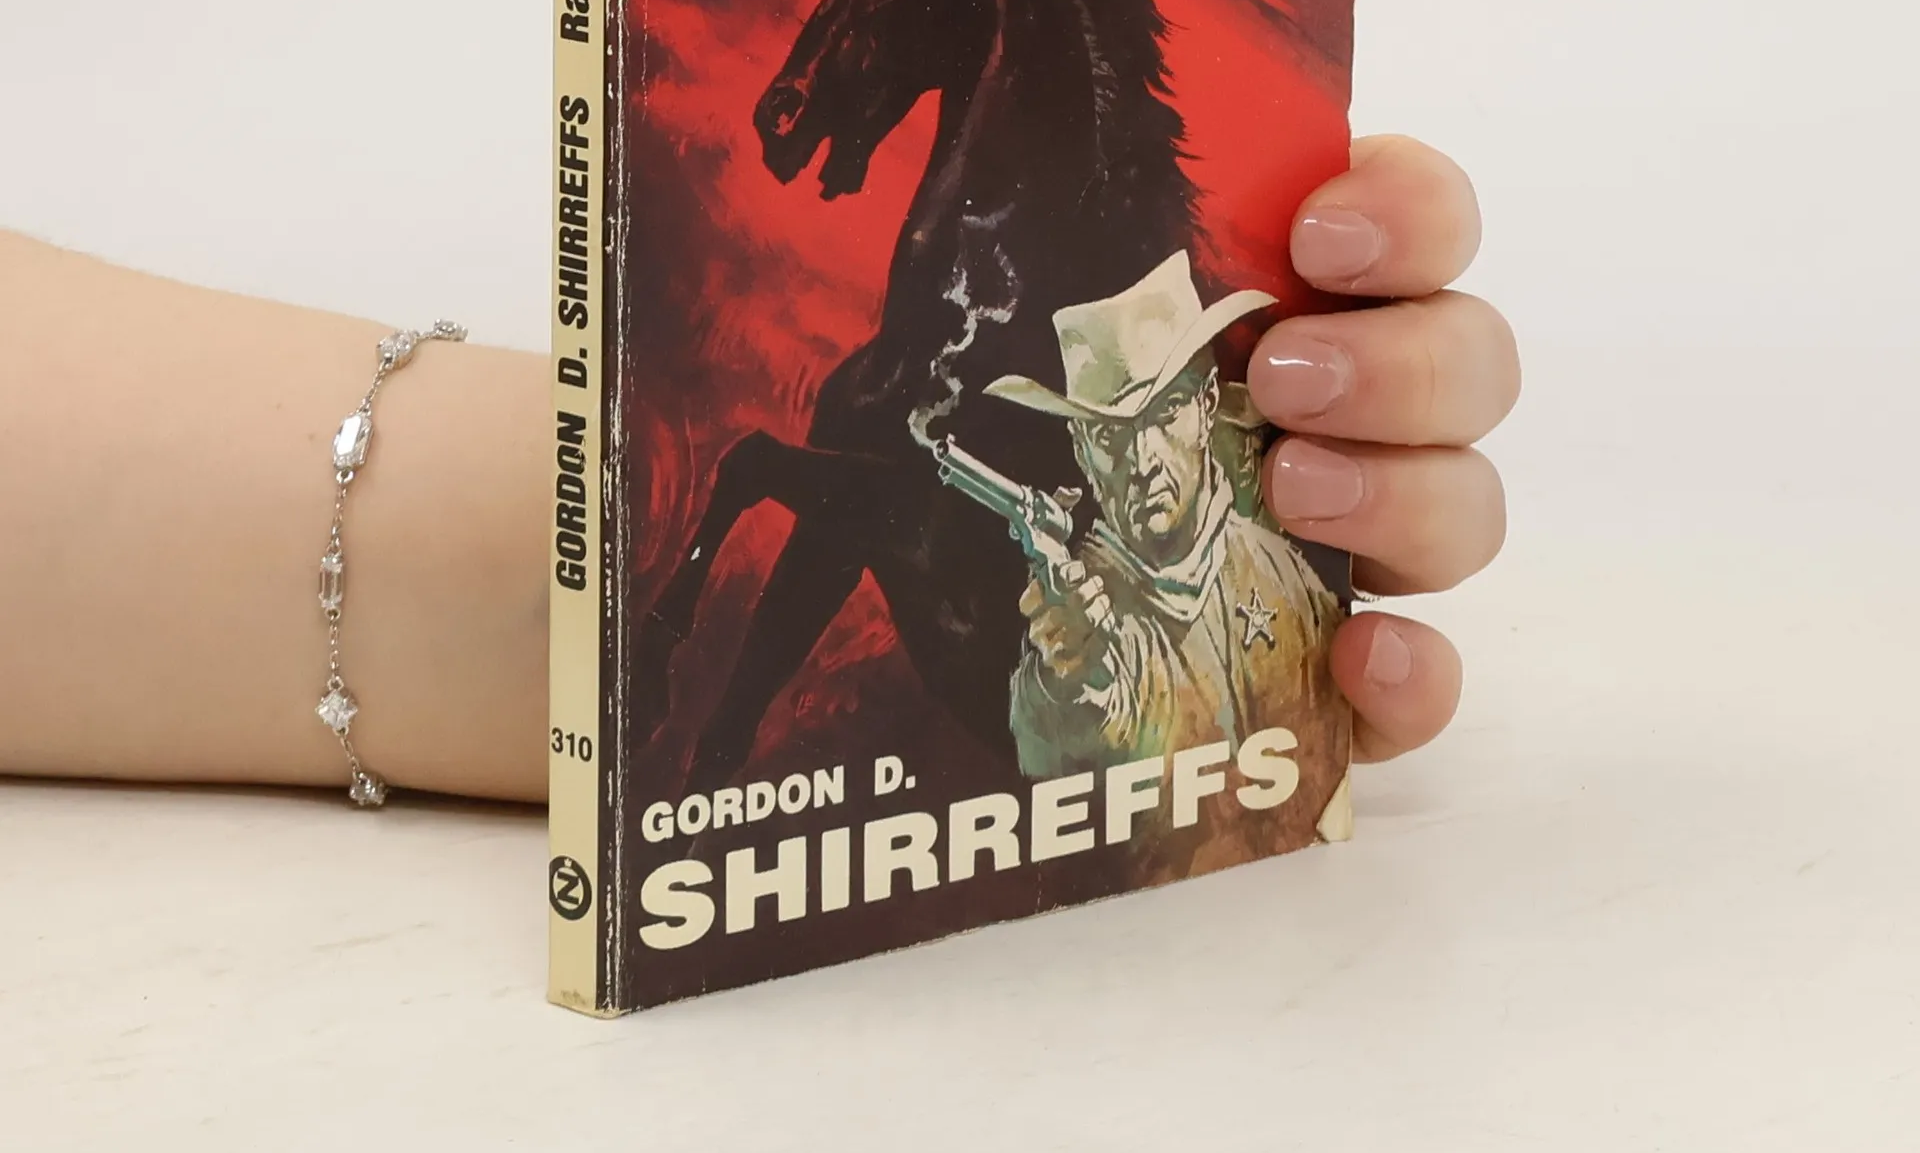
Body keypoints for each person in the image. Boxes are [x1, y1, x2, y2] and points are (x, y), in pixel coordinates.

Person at [0, 136, 1519, 803]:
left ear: (1212, 415)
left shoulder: (1257, 565)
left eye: (1155, 424)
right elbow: (1059, 745)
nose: (1134, 471)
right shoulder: (1077, 609)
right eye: (1100, 439)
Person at [989, 250, 1343, 775]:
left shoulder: (1286, 577)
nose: (1143, 459)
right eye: (1110, 435)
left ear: (1206, 405)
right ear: (1082, 450)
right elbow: (1053, 739)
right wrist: (1070, 676)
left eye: (1166, 411)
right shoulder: (1078, 606)